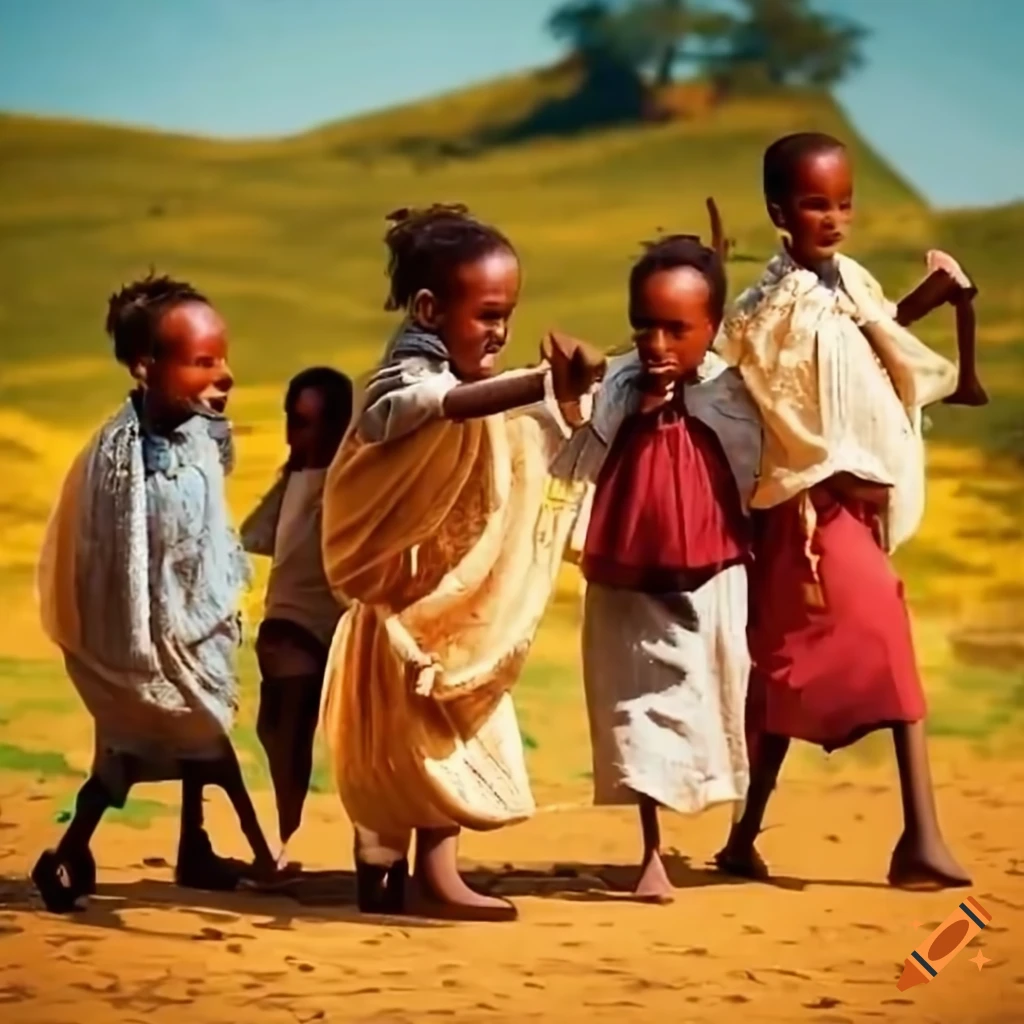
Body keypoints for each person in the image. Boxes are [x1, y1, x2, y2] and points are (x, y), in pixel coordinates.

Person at [319, 204, 606, 920]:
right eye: (486, 315)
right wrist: (539, 384)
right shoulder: (400, 385)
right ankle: (392, 870)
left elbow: (513, 427)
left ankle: (423, 871)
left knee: (443, 733)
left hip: (449, 613)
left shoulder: (467, 386)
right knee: (403, 745)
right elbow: (440, 406)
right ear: (428, 309)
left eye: (508, 315)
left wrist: (569, 396)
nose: (500, 332)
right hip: (403, 617)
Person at [713, 132, 977, 889]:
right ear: (779, 212)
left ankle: (744, 838)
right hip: (809, 517)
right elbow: (748, 390)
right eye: (814, 204)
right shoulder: (764, 311)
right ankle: (921, 837)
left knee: (786, 679)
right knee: (884, 646)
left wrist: (937, 295)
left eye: (844, 203)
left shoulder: (852, 281)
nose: (833, 218)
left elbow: (876, 333)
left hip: (856, 518)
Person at [33, 273, 275, 912]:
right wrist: (139, 652)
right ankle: (71, 853)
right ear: (146, 367)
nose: (225, 376)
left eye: (223, 359)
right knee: (153, 754)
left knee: (200, 748)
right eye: (203, 362)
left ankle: (195, 846)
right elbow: (110, 561)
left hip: (195, 628)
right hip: (144, 645)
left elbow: (209, 526)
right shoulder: (119, 459)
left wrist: (216, 607)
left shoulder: (202, 431)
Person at [552, 227, 762, 902]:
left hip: (713, 571)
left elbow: (765, 466)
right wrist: (628, 405)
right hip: (626, 571)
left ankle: (733, 831)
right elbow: (575, 448)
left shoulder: (733, 393)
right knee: (633, 705)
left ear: (712, 328)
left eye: (677, 329)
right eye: (644, 325)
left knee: (710, 697)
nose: (657, 344)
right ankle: (649, 852)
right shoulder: (618, 386)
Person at [241, 367, 353, 867]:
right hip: (288, 622)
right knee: (278, 732)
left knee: (295, 734)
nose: (294, 435)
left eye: (308, 424)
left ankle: (287, 842)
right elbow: (256, 538)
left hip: (341, 629)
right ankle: (283, 838)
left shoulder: (353, 479)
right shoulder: (292, 478)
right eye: (292, 420)